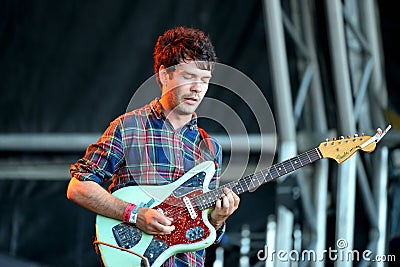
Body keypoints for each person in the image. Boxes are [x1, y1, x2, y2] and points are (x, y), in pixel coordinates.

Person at [67, 26, 240, 266]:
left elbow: (206, 234)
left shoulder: (210, 149)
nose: (197, 88)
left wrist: (218, 219)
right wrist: (135, 215)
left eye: (204, 80)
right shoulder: (129, 127)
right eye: (189, 77)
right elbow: (78, 187)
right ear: (163, 75)